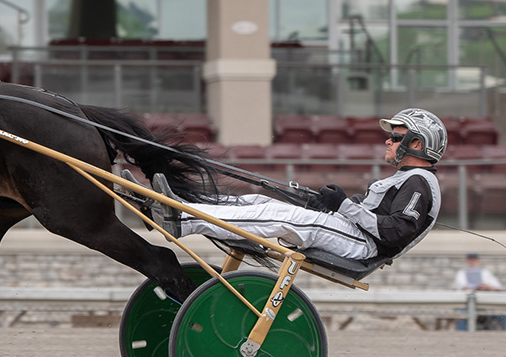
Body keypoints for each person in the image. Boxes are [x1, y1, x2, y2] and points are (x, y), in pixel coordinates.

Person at [153, 107, 446, 262]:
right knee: (260, 202)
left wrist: (343, 205)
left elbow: (395, 231)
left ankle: (182, 219)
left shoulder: (419, 182)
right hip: (352, 234)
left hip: (362, 246)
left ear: (416, 144)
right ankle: (181, 205)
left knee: (286, 218)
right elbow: (371, 215)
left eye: (396, 137)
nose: (388, 140)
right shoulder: (404, 179)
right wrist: (330, 206)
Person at [453, 253, 503, 330]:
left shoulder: (485, 273)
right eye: (470, 260)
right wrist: (475, 287)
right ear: (467, 261)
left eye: (474, 260)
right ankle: (463, 335)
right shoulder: (461, 273)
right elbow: (462, 287)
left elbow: (498, 288)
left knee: (502, 314)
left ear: (478, 261)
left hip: (486, 303)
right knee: (461, 314)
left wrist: (488, 287)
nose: (472, 262)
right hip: (466, 303)